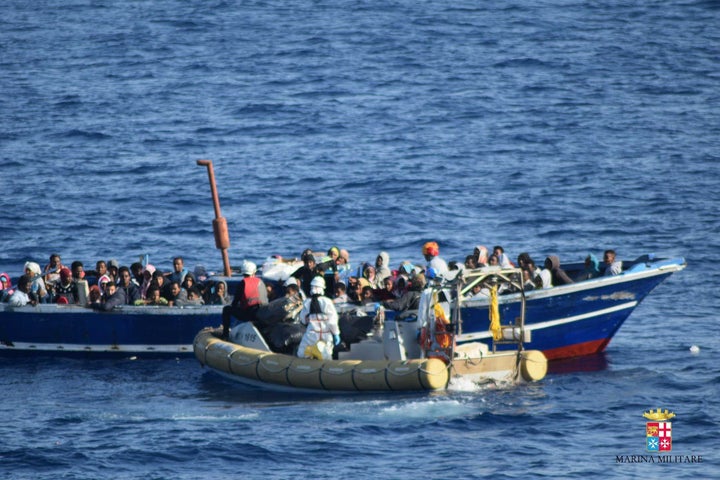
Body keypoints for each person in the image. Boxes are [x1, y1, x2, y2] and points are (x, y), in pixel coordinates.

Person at [221, 260, 268, 339]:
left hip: (249, 315)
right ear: (254, 272)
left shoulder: (242, 283)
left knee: (226, 309)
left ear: (243, 273)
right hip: (263, 313)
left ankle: (225, 334)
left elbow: (235, 303)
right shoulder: (260, 282)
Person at [296, 277, 340, 360]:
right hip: (326, 334)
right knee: (326, 357)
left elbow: (303, 319)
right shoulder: (327, 301)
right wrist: (336, 333)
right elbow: (332, 321)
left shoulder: (307, 302)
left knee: (302, 354)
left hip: (311, 334)